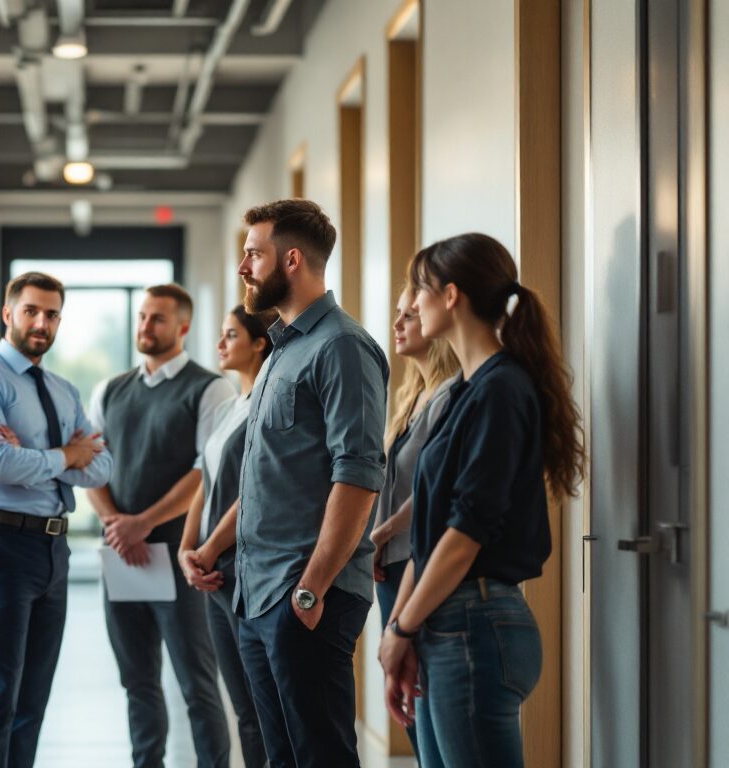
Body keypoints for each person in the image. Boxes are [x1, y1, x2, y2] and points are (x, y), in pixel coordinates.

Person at [378, 233, 584, 768]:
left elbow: (465, 534)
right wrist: (399, 631)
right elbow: (429, 527)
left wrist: (401, 628)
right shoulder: (469, 390)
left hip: (475, 623)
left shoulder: (500, 389)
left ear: (451, 297)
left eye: (420, 292)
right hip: (449, 622)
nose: (412, 305)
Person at [233, 198, 389, 768]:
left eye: (253, 255)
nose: (244, 267)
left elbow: (358, 474)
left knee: (320, 756)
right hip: (258, 592)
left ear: (292, 259)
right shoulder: (281, 349)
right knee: (281, 757)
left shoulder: (342, 347)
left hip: (304, 593)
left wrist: (312, 586)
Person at [0, 271, 112, 768]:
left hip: (52, 549)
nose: (41, 322)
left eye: (52, 313)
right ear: (8, 314)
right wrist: (67, 454)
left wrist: (40, 457)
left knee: (33, 699)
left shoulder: (63, 390)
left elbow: (103, 466)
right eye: (31, 311)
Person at [86, 284, 235, 768]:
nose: (146, 326)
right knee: (138, 681)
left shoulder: (210, 388)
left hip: (179, 556)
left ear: (183, 327)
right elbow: (91, 463)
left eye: (158, 319)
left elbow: (204, 473)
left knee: (196, 683)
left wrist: (142, 523)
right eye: (143, 317)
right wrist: (115, 525)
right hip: (122, 554)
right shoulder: (109, 389)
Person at [178, 305, 274, 768]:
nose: (219, 344)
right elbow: (207, 481)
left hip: (241, 568)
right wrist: (186, 549)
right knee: (243, 706)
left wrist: (210, 547)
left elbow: (254, 489)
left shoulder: (266, 404)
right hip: (213, 567)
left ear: (259, 342)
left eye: (231, 334)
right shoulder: (230, 406)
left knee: (259, 707)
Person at [367, 284, 460, 757]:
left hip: (415, 563)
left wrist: (379, 535)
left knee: (421, 696)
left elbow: (432, 491)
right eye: (397, 315)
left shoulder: (448, 397)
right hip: (392, 563)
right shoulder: (412, 397)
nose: (397, 325)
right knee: (407, 696)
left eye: (408, 315)